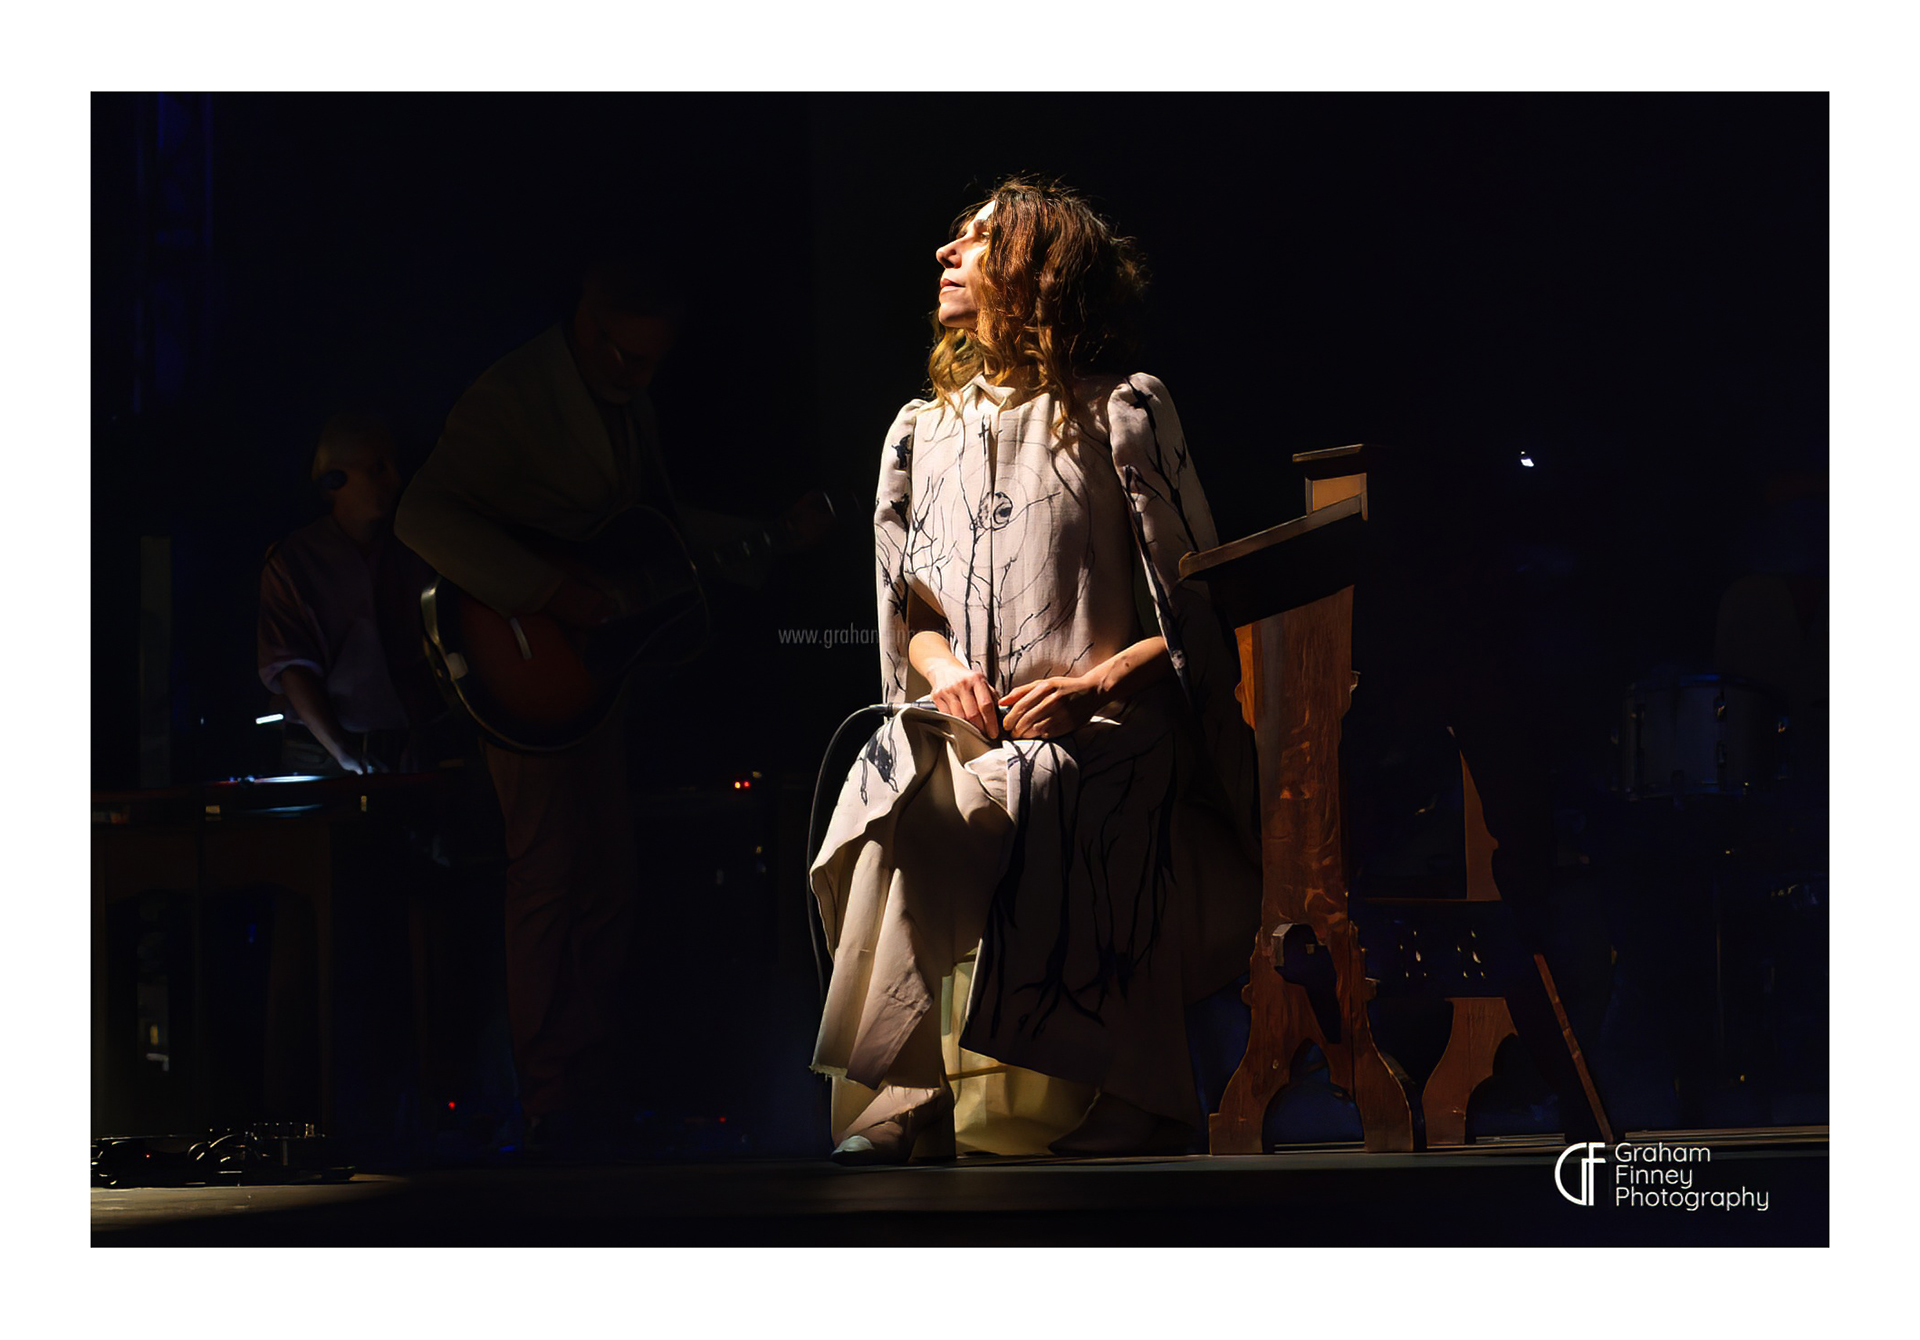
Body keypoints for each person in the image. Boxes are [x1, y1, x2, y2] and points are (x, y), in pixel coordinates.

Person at [808, 179, 1262, 1163]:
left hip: (1111, 716)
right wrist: (947, 674)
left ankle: (1130, 1093)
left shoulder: (1122, 412)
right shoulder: (920, 433)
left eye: (971, 241)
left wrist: (1098, 684)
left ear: (1034, 268)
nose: (944, 254)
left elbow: (1194, 611)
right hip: (982, 712)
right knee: (900, 779)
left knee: (1030, 793)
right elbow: (911, 618)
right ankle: (907, 1091)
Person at [394, 257, 717, 1150]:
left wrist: (763, 535)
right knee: (546, 875)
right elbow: (421, 517)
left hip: (586, 678)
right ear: (588, 325)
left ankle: (589, 1082)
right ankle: (548, 1100)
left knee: (607, 875)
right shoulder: (513, 394)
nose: (641, 380)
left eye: (654, 363)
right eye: (628, 360)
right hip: (525, 670)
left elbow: (644, 530)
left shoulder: (623, 397)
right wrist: (549, 592)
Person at [258, 411, 440, 775]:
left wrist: (421, 736)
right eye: (377, 468)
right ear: (334, 480)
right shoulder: (294, 561)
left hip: (406, 752)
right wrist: (344, 753)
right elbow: (293, 670)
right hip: (322, 757)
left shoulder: (414, 554)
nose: (395, 479)